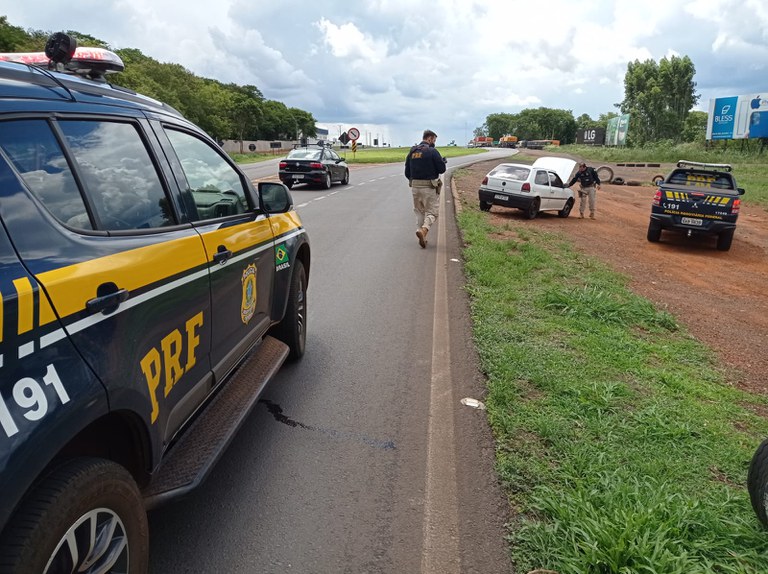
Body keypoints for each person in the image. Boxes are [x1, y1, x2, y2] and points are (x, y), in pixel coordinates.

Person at [404, 129, 447, 248]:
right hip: (429, 187)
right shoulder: (432, 151)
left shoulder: (412, 151)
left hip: (415, 186)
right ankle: (424, 230)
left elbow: (407, 172)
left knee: (419, 211)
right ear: (429, 138)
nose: (434, 142)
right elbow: (441, 170)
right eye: (434, 140)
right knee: (432, 212)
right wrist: (443, 162)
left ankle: (421, 233)